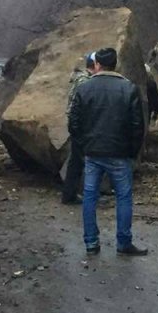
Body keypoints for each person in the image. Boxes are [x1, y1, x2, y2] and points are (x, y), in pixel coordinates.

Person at [68, 47, 147, 256]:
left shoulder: (85, 88)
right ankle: (123, 242)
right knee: (123, 197)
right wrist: (133, 151)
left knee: (89, 197)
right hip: (120, 153)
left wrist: (83, 144)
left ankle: (91, 242)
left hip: (93, 152)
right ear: (115, 64)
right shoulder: (128, 88)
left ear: (97, 65)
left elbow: (73, 121)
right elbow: (138, 124)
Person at [61, 58, 93, 204]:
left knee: (76, 162)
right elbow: (81, 106)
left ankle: (70, 193)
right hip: (82, 127)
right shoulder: (85, 82)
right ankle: (77, 194)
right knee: (81, 162)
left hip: (77, 126)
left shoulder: (79, 79)